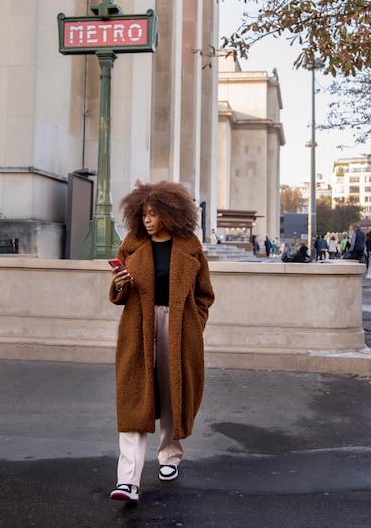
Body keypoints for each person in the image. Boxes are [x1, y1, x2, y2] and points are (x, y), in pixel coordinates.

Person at [108, 181, 215, 502]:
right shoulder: (131, 245)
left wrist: (195, 323)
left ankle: (169, 455)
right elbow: (117, 296)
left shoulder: (190, 246)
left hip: (180, 327)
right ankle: (127, 480)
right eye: (143, 215)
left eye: (153, 214)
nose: (147, 221)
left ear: (170, 213)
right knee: (133, 397)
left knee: (172, 391)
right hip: (138, 327)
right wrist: (118, 284)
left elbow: (204, 295)